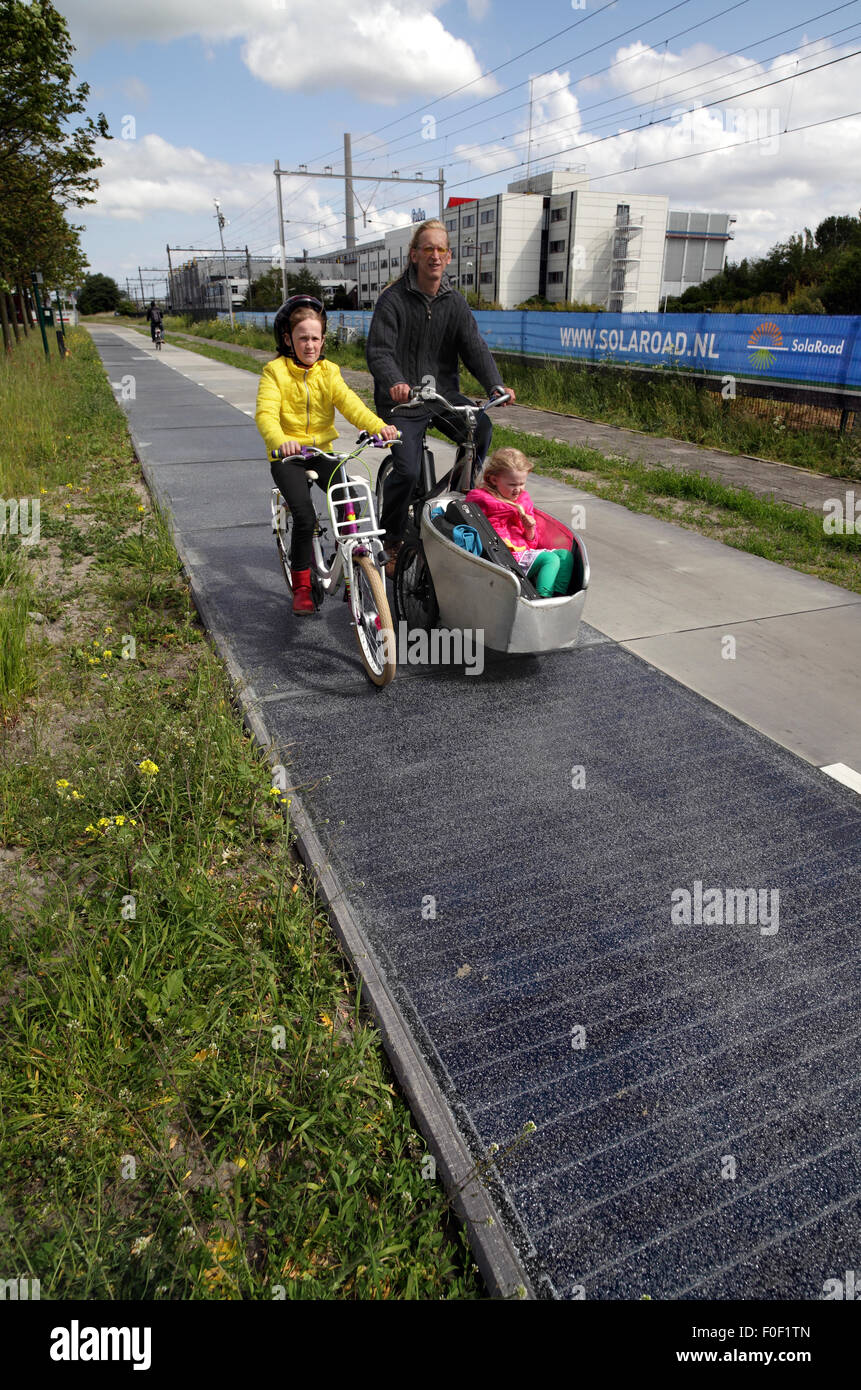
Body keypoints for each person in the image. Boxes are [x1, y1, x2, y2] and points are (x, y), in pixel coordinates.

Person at [366, 218, 515, 575]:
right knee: (407, 468)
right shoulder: (393, 300)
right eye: (427, 249)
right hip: (402, 400)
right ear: (414, 255)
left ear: (448, 257)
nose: (434, 256)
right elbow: (379, 353)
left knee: (480, 429)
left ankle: (453, 502)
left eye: (441, 250)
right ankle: (391, 540)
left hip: (441, 394)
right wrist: (395, 382)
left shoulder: (454, 303)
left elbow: (474, 348)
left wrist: (495, 384)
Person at [255, 294, 398, 615]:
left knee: (351, 504)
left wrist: (379, 427)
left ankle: (348, 559)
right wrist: (280, 440)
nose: (309, 345)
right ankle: (303, 586)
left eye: (315, 338)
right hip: (287, 455)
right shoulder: (274, 372)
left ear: (323, 340)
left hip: (322, 451)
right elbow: (265, 413)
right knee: (304, 517)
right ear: (288, 339)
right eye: (302, 338)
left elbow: (350, 403)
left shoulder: (329, 371)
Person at [466, 448, 575, 597]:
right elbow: (473, 526)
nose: (518, 490)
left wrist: (529, 528)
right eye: (512, 485)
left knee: (564, 556)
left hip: (522, 553)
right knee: (550, 559)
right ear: (494, 480)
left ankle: (557, 596)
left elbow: (532, 543)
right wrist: (508, 510)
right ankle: (542, 597)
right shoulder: (481, 500)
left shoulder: (524, 501)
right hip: (502, 557)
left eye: (522, 484)